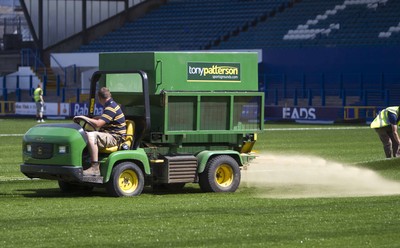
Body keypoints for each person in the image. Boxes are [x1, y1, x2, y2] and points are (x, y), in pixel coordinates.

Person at [74, 87, 126, 176]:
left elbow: (98, 124)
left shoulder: (111, 107)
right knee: (85, 133)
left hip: (115, 137)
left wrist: (84, 117)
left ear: (99, 98)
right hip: (110, 134)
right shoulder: (111, 105)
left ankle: (95, 168)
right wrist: (94, 118)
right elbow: (103, 119)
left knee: (91, 135)